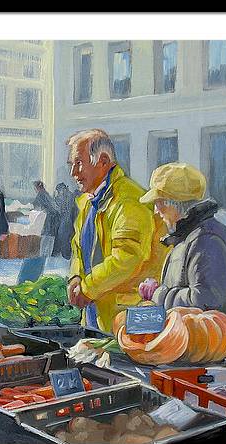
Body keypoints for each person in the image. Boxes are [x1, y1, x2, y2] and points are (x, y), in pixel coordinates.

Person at [138, 163, 226, 366]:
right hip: (196, 359)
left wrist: (158, 293)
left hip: (217, 366)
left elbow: (203, 302)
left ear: (176, 204)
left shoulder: (207, 239)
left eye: (160, 202)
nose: (156, 210)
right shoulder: (188, 237)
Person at [66, 129, 170, 333]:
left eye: (79, 163)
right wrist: (75, 277)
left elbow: (127, 257)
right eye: (72, 165)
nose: (74, 173)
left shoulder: (129, 200)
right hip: (97, 314)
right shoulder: (88, 202)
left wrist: (87, 288)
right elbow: (78, 248)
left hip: (128, 319)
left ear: (103, 161)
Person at [53, 182, 76, 259]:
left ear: (62, 189)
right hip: (70, 220)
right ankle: (67, 254)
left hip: (66, 220)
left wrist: (55, 198)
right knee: (66, 237)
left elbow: (60, 207)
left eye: (59, 191)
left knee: (63, 236)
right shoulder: (70, 195)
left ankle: (66, 255)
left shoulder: (66, 196)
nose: (59, 192)